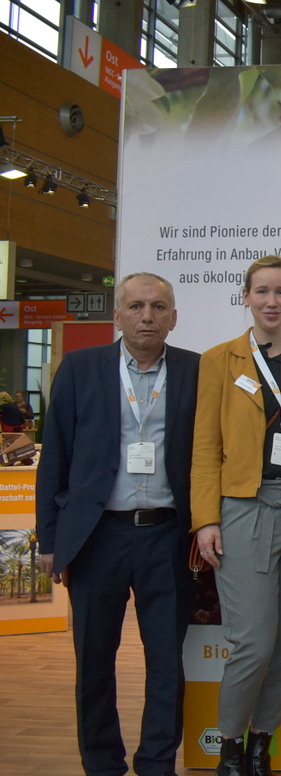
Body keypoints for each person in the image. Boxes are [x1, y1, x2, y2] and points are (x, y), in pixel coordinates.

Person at [35, 272, 199, 776]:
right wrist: (49, 540)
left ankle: (156, 762)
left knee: (167, 661)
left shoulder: (196, 370)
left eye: (158, 307)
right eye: (136, 306)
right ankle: (102, 762)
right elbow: (55, 456)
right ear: (118, 315)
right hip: (96, 536)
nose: (147, 316)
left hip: (168, 536)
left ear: (174, 317)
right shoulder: (80, 368)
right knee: (94, 659)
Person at [191, 255, 281, 776]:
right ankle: (230, 746)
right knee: (252, 641)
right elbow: (205, 446)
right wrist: (206, 519)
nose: (272, 301)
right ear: (245, 297)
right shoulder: (219, 361)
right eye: (262, 292)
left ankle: (261, 744)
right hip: (243, 509)